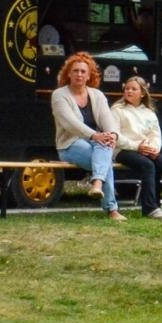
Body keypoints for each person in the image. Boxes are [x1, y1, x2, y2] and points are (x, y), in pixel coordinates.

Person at [50, 51, 124, 220]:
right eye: (75, 71)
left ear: (89, 75)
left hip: (97, 143)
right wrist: (94, 135)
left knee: (105, 147)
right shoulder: (59, 95)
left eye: (83, 71)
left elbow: (108, 120)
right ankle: (111, 208)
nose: (79, 74)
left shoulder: (97, 95)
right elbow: (70, 124)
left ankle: (97, 186)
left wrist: (113, 135)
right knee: (105, 161)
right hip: (69, 144)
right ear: (68, 74)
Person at [111, 75, 162, 220]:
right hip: (123, 150)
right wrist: (137, 146)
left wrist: (153, 148)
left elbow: (155, 134)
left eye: (134, 89)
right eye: (127, 88)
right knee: (147, 165)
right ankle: (150, 208)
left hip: (145, 149)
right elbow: (116, 135)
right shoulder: (117, 110)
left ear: (142, 93)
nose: (129, 91)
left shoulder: (149, 112)